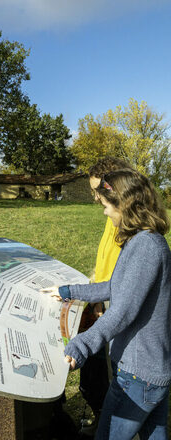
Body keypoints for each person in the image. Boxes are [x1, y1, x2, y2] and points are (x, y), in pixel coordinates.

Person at [42, 169, 171, 439]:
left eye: (106, 205)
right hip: (150, 372)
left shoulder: (146, 247)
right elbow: (115, 287)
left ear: (125, 205)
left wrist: (79, 345)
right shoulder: (141, 240)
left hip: (138, 375)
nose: (104, 213)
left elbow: (122, 312)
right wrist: (68, 291)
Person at [78, 157, 133, 435]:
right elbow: (106, 257)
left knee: (112, 372)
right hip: (103, 294)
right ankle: (104, 418)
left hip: (114, 300)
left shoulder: (125, 218)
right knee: (97, 369)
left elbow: (124, 270)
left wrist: (103, 300)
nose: (95, 198)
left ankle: (115, 427)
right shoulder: (111, 214)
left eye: (98, 190)